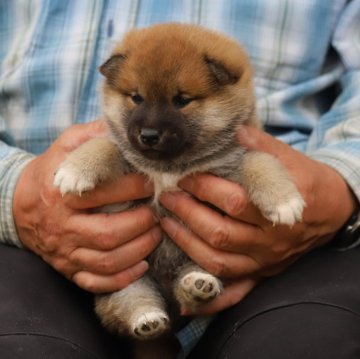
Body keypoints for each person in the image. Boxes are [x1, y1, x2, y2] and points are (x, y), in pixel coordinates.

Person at [1, 0, 360, 358]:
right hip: (33, 249)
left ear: (226, 84)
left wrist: (341, 184)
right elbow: (106, 151)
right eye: (136, 99)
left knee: (310, 342)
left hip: (292, 252)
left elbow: (253, 164)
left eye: (182, 101)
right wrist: (12, 190)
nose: (151, 126)